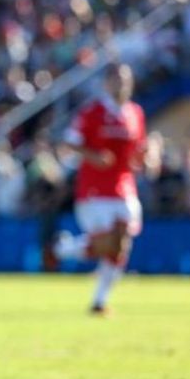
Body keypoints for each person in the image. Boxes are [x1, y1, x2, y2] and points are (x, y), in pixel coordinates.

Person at [51, 63, 146, 315]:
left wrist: (147, 157)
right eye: (116, 80)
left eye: (125, 80)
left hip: (125, 185)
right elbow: (70, 142)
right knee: (109, 243)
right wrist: (93, 155)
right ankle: (64, 249)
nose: (121, 85)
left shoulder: (135, 113)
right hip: (94, 187)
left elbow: (137, 151)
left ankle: (99, 300)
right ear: (106, 83)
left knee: (121, 244)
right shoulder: (92, 112)